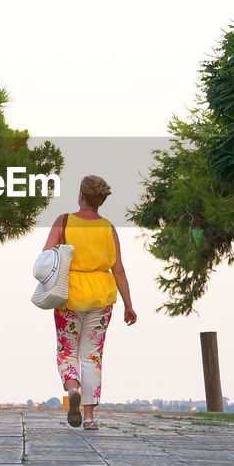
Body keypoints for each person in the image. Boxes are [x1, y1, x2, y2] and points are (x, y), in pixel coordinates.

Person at [42, 175, 137, 429]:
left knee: (67, 351)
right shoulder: (108, 227)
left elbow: (46, 257)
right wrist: (128, 304)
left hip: (69, 295)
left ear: (81, 195)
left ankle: (72, 388)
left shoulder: (64, 221)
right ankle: (91, 418)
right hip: (102, 297)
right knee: (92, 355)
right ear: (100, 200)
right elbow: (118, 269)